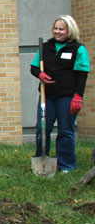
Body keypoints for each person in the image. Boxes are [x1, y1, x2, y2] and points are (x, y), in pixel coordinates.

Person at [30, 14, 90, 173]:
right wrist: (40, 75)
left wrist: (77, 97)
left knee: (65, 130)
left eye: (61, 29)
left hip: (67, 97)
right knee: (43, 128)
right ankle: (41, 158)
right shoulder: (45, 47)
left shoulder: (78, 49)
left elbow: (82, 74)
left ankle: (66, 165)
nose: (57, 32)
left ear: (69, 31)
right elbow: (34, 67)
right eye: (55, 28)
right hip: (47, 96)